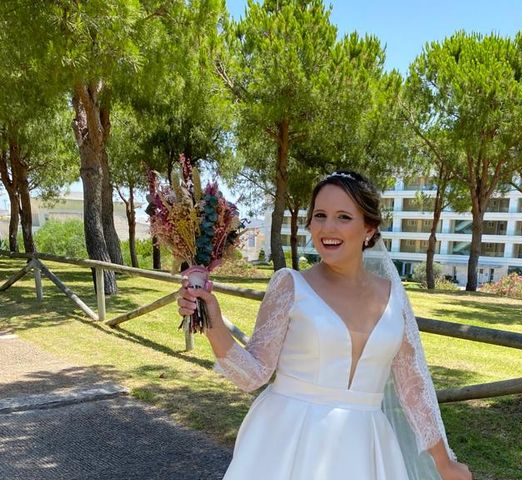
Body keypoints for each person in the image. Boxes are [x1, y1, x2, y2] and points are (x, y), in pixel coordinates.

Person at [177, 170, 472, 480]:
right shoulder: (290, 286)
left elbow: (414, 388)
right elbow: (253, 375)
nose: (327, 228)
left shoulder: (394, 296)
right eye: (320, 215)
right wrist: (212, 323)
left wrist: (443, 463)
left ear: (369, 229)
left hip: (367, 448)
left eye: (343, 217)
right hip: (289, 442)